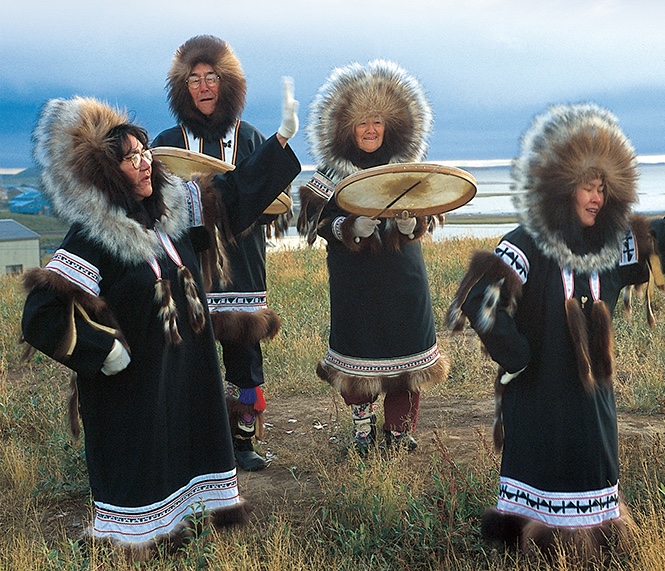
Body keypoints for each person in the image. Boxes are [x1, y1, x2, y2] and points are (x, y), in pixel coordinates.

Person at [446, 103, 665, 563]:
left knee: (593, 505)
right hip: (536, 399)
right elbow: (479, 299)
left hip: (590, 405)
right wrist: (515, 356)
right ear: (562, 187)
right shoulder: (526, 242)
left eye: (602, 188)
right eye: (587, 186)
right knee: (539, 513)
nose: (596, 197)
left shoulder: (614, 246)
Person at [21, 94, 300, 556]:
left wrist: (281, 140)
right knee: (144, 462)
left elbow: (231, 197)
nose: (145, 163)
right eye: (130, 159)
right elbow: (42, 313)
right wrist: (103, 350)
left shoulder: (173, 210)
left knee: (187, 446)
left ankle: (186, 530)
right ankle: (139, 542)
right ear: (107, 173)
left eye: (144, 151)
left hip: (186, 369)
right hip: (133, 385)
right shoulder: (94, 235)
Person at [153, 35, 299, 471]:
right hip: (188, 262)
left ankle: (242, 439)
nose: (203, 86)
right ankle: (192, 438)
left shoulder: (250, 137)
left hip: (242, 259)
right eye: (194, 78)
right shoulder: (166, 142)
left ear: (227, 82)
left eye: (211, 76)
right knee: (185, 349)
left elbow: (271, 201)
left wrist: (278, 146)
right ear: (183, 87)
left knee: (243, 350)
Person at [296, 59, 449, 454]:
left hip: (403, 277)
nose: (369, 130)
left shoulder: (408, 169)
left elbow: (429, 212)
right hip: (355, 281)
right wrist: (346, 227)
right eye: (362, 122)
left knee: (407, 356)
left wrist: (410, 226)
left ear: (391, 125)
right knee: (359, 352)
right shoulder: (329, 173)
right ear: (346, 127)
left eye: (377, 121)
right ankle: (362, 428)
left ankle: (400, 432)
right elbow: (311, 223)